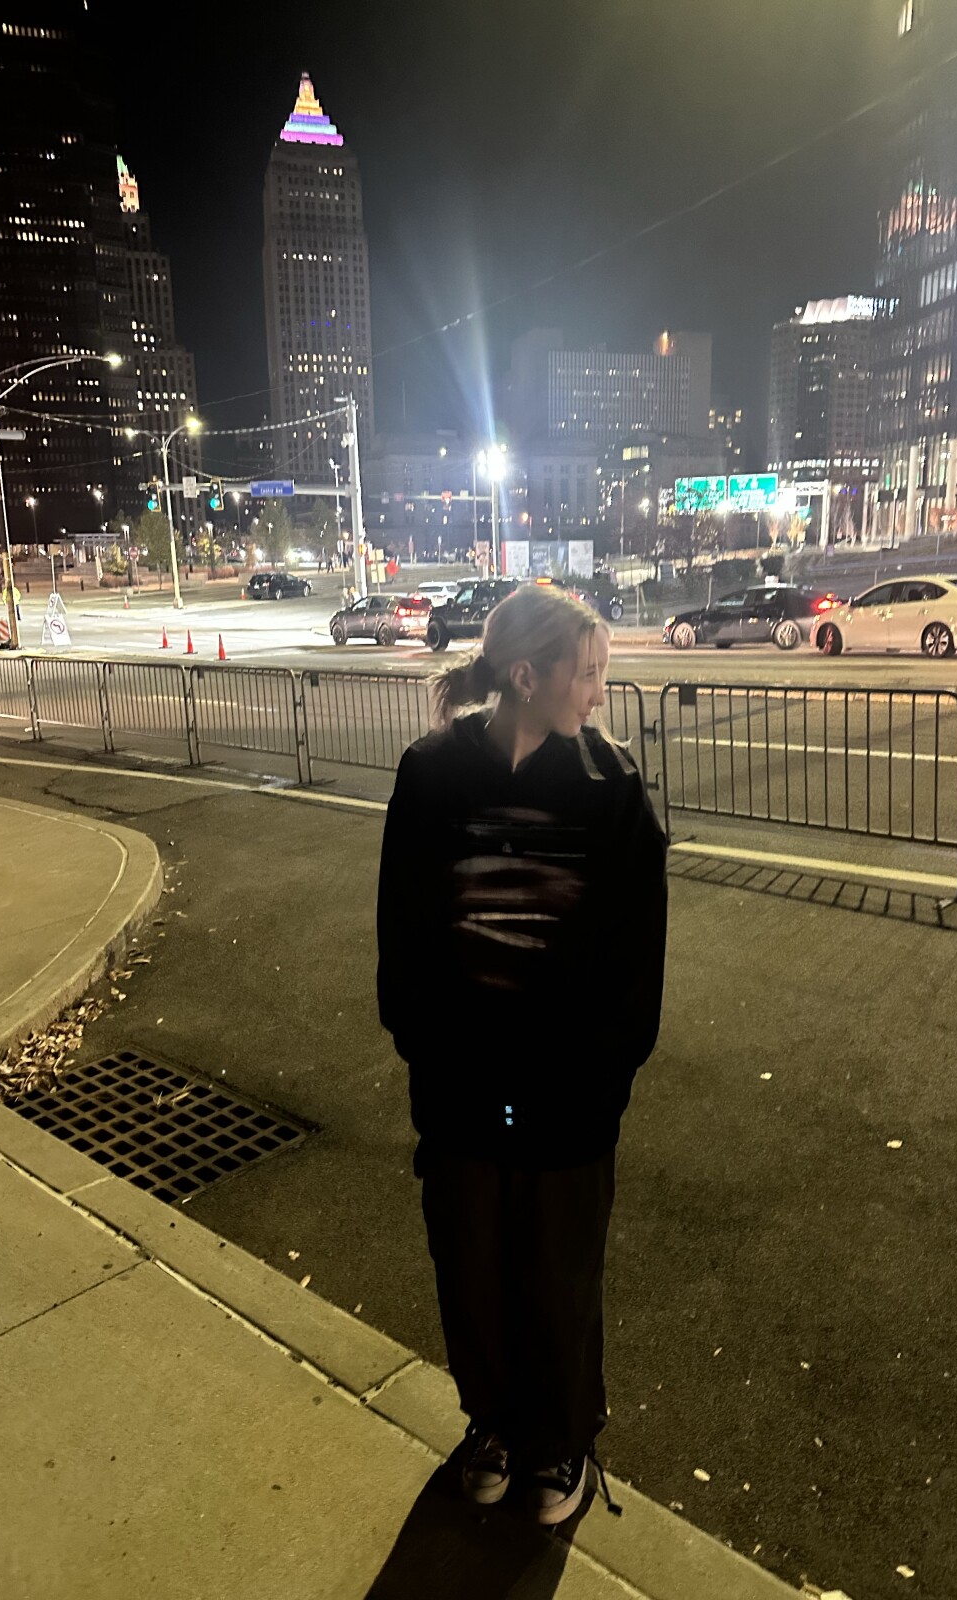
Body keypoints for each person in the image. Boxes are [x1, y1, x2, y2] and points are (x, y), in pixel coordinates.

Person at [377, 585, 667, 1526]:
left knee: (558, 1274)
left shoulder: (611, 789)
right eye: (588, 674)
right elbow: (402, 926)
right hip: (460, 1087)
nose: (600, 693)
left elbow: (637, 954)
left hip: (569, 1095)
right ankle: (493, 1423)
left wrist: (608, 1073)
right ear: (527, 676)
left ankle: (560, 1441)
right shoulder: (432, 775)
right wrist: (420, 1043)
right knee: (470, 1266)